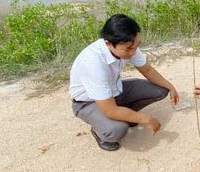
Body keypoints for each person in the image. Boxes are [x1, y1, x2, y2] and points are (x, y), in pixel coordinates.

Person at [69, 14, 179, 151]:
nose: (133, 52)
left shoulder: (128, 44)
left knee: (160, 89)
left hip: (115, 91)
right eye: (128, 49)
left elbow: (148, 70)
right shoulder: (93, 62)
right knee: (117, 129)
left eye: (136, 46)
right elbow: (110, 110)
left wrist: (170, 86)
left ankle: (126, 116)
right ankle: (100, 133)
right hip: (88, 102)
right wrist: (146, 119)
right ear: (108, 43)